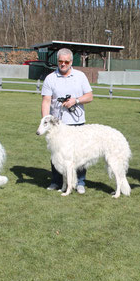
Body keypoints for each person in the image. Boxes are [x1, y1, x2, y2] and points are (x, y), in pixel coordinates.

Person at [41, 48, 93, 194]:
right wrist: (45, 121)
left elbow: (89, 96)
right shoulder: (50, 78)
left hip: (77, 123)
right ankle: (56, 182)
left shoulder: (80, 76)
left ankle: (80, 182)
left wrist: (75, 100)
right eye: (60, 61)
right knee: (57, 155)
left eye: (66, 62)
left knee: (80, 155)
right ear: (57, 61)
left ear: (71, 62)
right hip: (57, 125)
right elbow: (46, 101)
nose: (63, 64)